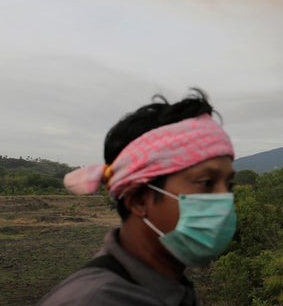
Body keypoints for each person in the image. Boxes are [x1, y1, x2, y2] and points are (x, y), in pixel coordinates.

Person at [38, 88, 236, 306]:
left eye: (229, 185)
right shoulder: (95, 300)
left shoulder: (170, 288)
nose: (225, 200)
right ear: (138, 200)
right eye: (206, 183)